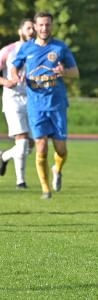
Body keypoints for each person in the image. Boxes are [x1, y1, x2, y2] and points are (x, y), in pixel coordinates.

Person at [11, 11, 79, 200]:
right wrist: (16, 76)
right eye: (40, 25)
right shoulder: (26, 48)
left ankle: (57, 168)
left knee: (61, 150)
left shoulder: (60, 47)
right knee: (41, 146)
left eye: (47, 24)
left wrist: (63, 71)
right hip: (36, 106)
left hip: (57, 105)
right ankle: (45, 189)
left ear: (52, 26)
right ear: (34, 26)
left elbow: (75, 72)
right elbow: (14, 66)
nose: (44, 28)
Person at [0, 18, 36, 188]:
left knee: (31, 144)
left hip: (32, 99)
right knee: (21, 142)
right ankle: (20, 182)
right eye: (28, 28)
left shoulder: (38, 51)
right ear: (20, 31)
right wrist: (5, 81)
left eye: (33, 28)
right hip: (12, 98)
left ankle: (4, 157)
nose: (32, 31)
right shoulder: (9, 50)